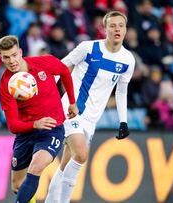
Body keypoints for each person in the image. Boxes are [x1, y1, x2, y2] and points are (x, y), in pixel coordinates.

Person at [45, 11, 135, 203]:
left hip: (92, 119)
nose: (117, 29)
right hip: (72, 109)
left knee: (66, 164)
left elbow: (121, 91)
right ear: (105, 29)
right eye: (112, 25)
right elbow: (62, 66)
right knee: (82, 154)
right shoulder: (88, 48)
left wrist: (123, 121)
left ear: (125, 29)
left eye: (121, 25)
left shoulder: (128, 60)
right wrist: (46, 92)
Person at [0, 35, 77, 203]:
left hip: (51, 129)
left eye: (13, 55)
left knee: (36, 167)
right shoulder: (6, 84)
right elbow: (13, 125)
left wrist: (72, 102)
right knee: (17, 186)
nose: (11, 61)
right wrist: (35, 124)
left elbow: (64, 72)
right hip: (26, 133)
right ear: (1, 58)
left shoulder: (44, 63)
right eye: (6, 57)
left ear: (20, 52)